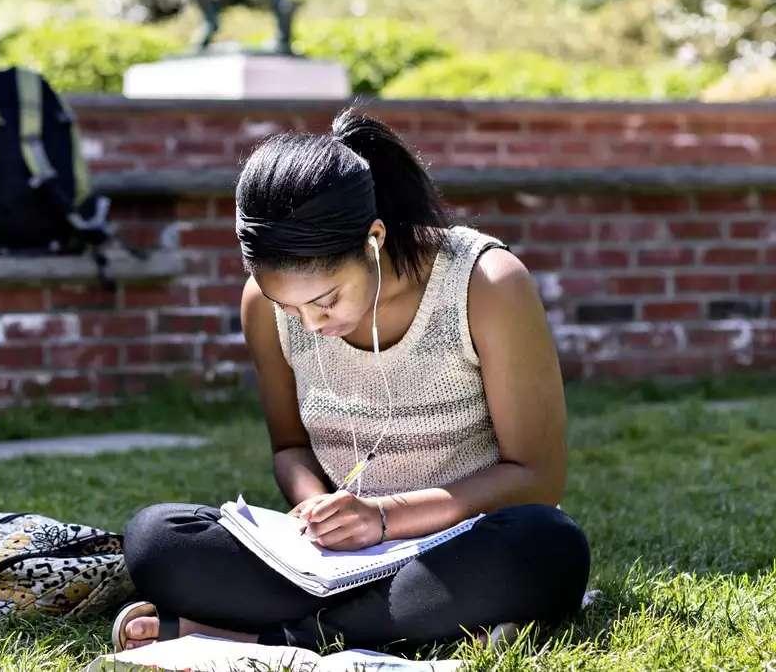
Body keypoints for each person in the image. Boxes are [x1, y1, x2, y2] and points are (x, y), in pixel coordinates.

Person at [116, 109, 590, 652]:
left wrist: (384, 518)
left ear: (373, 238)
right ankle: (403, 628)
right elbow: (291, 447)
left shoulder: (484, 283)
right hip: (341, 560)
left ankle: (265, 637)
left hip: (462, 545)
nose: (312, 324)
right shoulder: (263, 307)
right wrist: (315, 509)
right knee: (158, 538)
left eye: (325, 300)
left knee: (547, 545)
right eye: (288, 308)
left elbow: (536, 477)